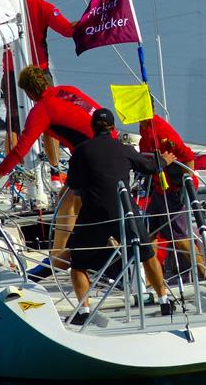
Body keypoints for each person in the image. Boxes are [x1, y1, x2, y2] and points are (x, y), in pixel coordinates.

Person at [0, 66, 100, 271]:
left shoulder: (41, 110)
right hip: (106, 147)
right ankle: (59, 255)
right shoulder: (67, 90)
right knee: (68, 198)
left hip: (90, 157)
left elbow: (19, 150)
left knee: (70, 205)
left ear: (29, 92)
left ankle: (57, 261)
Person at [65, 108, 176, 325]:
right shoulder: (123, 148)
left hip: (94, 214)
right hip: (125, 211)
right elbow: (149, 167)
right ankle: (164, 301)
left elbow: (74, 184)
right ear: (113, 128)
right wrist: (163, 161)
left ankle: (85, 312)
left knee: (78, 263)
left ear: (92, 127)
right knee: (147, 253)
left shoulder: (80, 151)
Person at [0, 0, 77, 189]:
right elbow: (68, 31)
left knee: (13, 124)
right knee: (50, 121)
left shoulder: (8, 9)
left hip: (12, 72)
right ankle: (54, 173)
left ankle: (15, 178)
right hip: (39, 72)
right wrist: (90, 19)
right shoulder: (45, 7)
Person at [139, 109, 206, 279]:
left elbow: (188, 156)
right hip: (159, 188)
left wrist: (186, 185)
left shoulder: (162, 132)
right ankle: (150, 279)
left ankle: (205, 273)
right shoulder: (144, 128)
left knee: (178, 237)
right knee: (149, 232)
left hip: (175, 189)